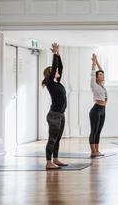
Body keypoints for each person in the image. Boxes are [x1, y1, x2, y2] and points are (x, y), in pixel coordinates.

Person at [42, 42, 67, 170]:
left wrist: (58, 54)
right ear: (50, 74)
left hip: (61, 115)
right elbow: (55, 66)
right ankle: (48, 162)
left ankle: (55, 159)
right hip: (54, 116)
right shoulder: (50, 83)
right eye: (54, 70)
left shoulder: (57, 82)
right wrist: (54, 55)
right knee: (52, 139)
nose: (57, 71)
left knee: (57, 139)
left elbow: (60, 67)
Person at [89, 53, 107, 157]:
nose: (102, 75)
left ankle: (97, 150)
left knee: (99, 131)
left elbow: (102, 71)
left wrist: (98, 62)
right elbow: (92, 74)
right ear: (96, 77)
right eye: (100, 75)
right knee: (94, 130)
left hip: (103, 110)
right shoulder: (94, 85)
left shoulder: (102, 85)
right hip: (96, 110)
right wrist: (93, 63)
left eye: (102, 75)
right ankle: (93, 152)